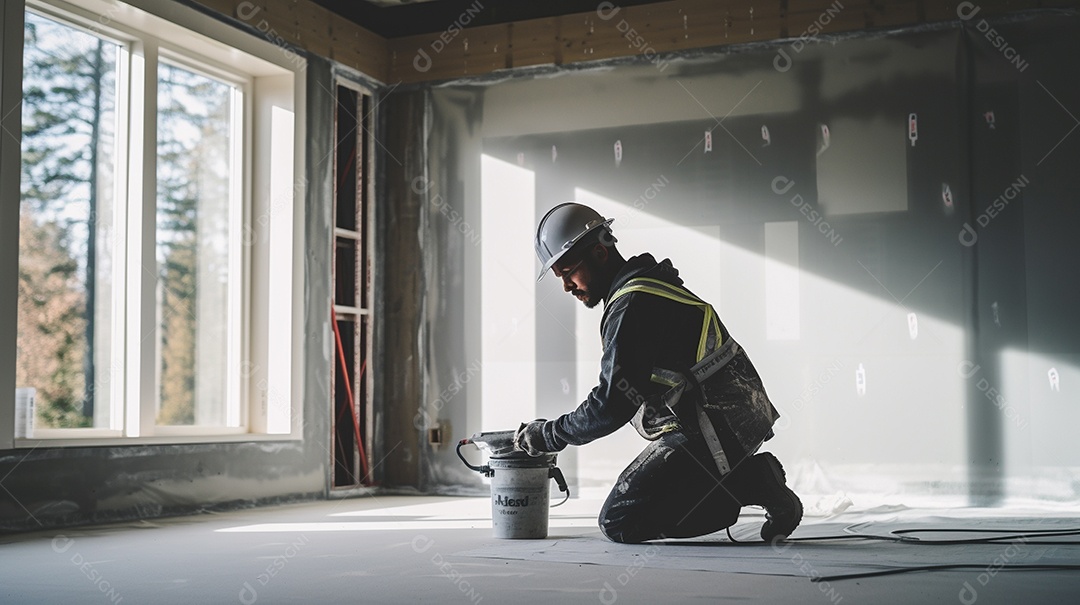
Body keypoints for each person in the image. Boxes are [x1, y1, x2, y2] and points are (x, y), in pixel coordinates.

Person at [513, 202, 802, 544]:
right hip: (726, 416)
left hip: (715, 423)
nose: (566, 286)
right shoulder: (643, 288)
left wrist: (550, 434)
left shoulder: (634, 304)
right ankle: (742, 477)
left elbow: (610, 405)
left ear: (599, 253)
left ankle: (751, 482)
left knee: (620, 521)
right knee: (649, 502)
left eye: (567, 271)